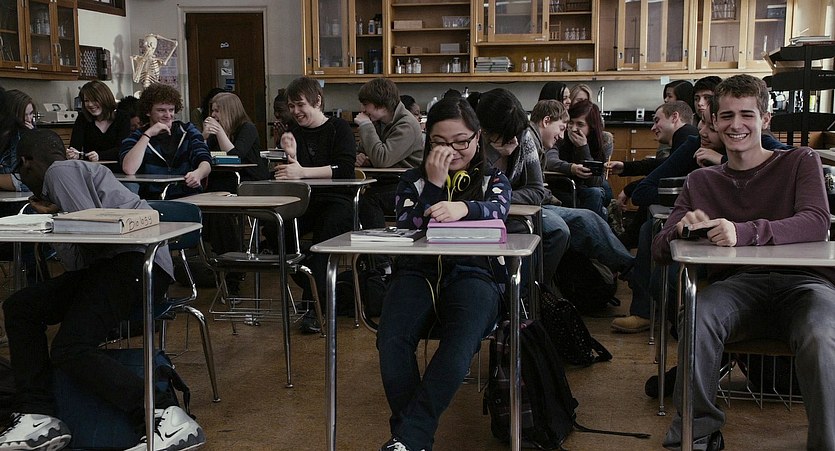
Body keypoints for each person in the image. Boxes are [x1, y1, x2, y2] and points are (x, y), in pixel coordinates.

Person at [654, 74, 835, 450]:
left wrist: (743, 232)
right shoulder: (702, 181)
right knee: (698, 315)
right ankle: (696, 434)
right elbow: (659, 248)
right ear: (714, 122)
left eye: (747, 115)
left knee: (822, 332)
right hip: (738, 287)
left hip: (807, 285)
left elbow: (816, 222)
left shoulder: (800, 161)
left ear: (765, 120)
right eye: (726, 116)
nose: (736, 125)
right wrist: (682, 230)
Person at [0, 128, 205, 451]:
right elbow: (86, 255)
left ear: (27, 162)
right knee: (21, 307)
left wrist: (58, 219)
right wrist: (58, 214)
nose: (24, 181)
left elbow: (91, 241)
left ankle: (161, 413)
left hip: (136, 264)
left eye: (21, 172)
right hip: (117, 266)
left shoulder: (59, 171)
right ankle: (37, 414)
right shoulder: (72, 172)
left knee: (71, 347)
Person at [376, 96, 511, 451]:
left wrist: (463, 207)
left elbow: (498, 209)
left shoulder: (493, 178)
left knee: (460, 341)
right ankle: (412, 440)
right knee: (392, 339)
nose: (451, 151)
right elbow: (409, 224)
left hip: (475, 273)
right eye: (439, 143)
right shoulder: (412, 180)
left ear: (477, 138)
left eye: (461, 141)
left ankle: (409, 438)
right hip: (416, 273)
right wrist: (434, 185)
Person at [275, 76, 357, 333]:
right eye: (291, 106)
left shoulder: (339, 128)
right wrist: (289, 157)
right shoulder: (293, 132)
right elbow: (289, 171)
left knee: (323, 238)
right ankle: (315, 289)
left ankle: (314, 304)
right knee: (278, 232)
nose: (295, 111)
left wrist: (302, 172)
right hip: (305, 201)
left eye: (300, 105)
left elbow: (345, 169)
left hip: (338, 200)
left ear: (317, 101)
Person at [120, 83, 212, 200]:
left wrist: (198, 173)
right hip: (151, 199)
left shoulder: (188, 131)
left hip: (187, 195)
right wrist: (148, 134)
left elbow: (205, 160)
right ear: (148, 111)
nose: (168, 115)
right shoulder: (136, 137)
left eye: (171, 110)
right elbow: (129, 168)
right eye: (161, 110)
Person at [354, 78, 424, 230]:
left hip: (407, 184)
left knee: (369, 200)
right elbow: (362, 150)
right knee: (349, 198)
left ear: (381, 105)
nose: (362, 109)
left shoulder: (406, 125)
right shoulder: (378, 122)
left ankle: (377, 244)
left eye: (366, 104)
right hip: (384, 181)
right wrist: (361, 157)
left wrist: (365, 125)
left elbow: (382, 159)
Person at [544, 99, 611, 218]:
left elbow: (595, 181)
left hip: (585, 187)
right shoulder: (560, 136)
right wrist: (571, 168)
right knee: (597, 196)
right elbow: (550, 161)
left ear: (591, 127)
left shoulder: (603, 141)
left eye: (580, 124)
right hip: (561, 186)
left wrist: (583, 148)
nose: (573, 128)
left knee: (597, 192)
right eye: (571, 123)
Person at [67, 80, 131, 166]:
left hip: (117, 168)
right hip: (91, 169)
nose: (90, 104)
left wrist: (100, 156)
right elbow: (75, 147)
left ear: (105, 98)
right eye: (86, 101)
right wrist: (73, 154)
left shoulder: (122, 117)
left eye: (94, 100)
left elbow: (123, 148)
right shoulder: (82, 118)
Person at [0, 89, 35, 192]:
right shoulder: (7, 133)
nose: (29, 119)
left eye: (31, 113)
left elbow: (26, 182)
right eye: (24, 115)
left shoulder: (24, 135)